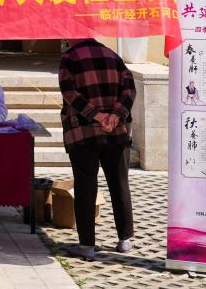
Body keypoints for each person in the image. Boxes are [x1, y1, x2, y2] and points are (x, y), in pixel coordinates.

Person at [57, 38, 136, 262]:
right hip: (117, 132)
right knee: (119, 183)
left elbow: (69, 93)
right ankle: (125, 239)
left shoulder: (69, 58)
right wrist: (116, 115)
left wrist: (97, 115)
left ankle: (87, 245)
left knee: (85, 187)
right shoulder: (112, 55)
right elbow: (130, 90)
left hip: (83, 133)